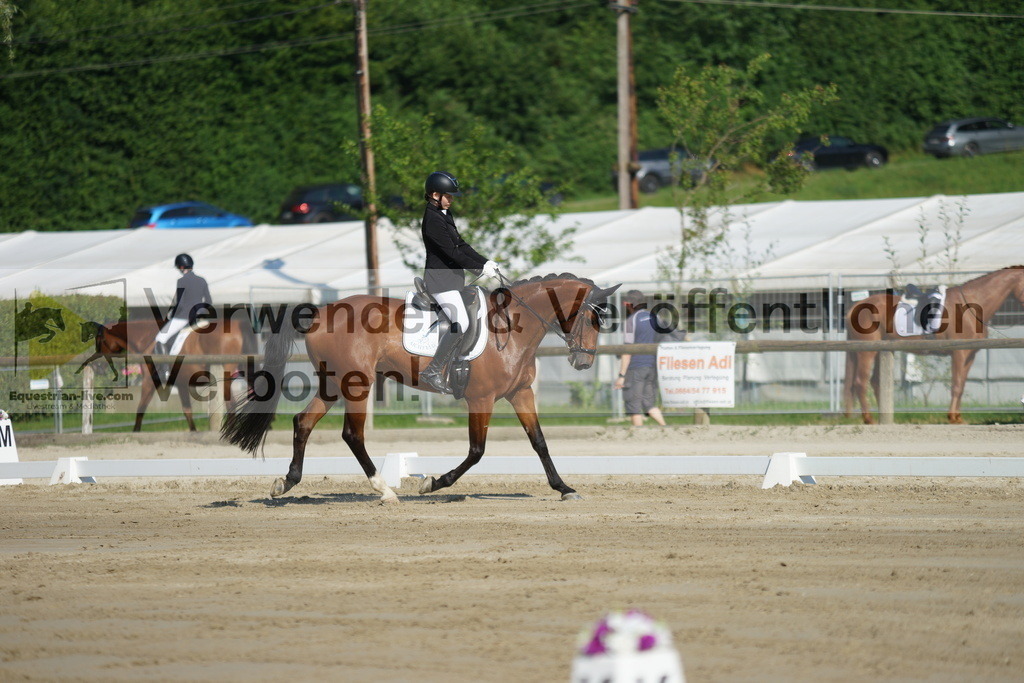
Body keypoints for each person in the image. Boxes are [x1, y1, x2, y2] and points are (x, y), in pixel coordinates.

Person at [418, 171, 501, 394]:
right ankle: (433, 371)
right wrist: (478, 269)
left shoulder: (444, 214)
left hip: (452, 281)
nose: (451, 199)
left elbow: (461, 245)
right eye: (448, 195)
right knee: (461, 322)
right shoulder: (432, 219)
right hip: (440, 281)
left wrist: (485, 262)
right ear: (435, 195)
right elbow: (452, 253)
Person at [613, 289, 667, 427]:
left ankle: (638, 435)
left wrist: (621, 375)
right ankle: (666, 429)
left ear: (627, 304)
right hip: (652, 367)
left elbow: (628, 350)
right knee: (648, 404)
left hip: (636, 367)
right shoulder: (655, 317)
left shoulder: (631, 321)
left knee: (633, 405)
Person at [153, 253, 212, 360]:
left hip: (183, 317)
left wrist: (172, 314)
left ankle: (165, 365)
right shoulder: (202, 280)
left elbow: (180, 304)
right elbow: (209, 301)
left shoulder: (181, 281)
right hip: (200, 317)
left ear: (181, 267)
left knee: (160, 338)